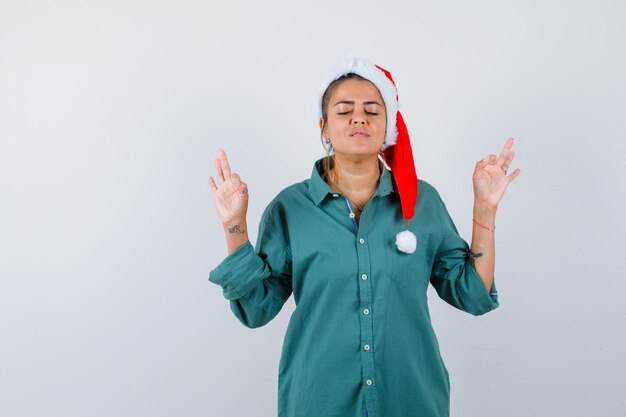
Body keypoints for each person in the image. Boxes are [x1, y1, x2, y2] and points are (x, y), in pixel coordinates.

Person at [207, 57, 520, 417]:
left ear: (388, 127)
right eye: (345, 111)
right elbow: (255, 309)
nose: (359, 118)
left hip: (410, 400)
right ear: (324, 126)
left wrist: (485, 207)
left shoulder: (422, 202)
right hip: (317, 401)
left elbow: (473, 295)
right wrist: (235, 226)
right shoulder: (290, 208)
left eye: (372, 110)